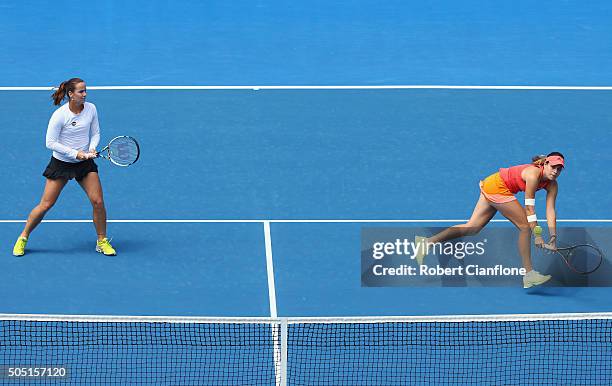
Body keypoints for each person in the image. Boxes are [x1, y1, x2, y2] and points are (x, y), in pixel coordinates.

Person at [414, 153, 565, 288]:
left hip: (492, 183)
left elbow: (550, 210)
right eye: (553, 167)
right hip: (498, 187)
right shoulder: (533, 175)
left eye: (559, 169)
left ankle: (427, 242)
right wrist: (537, 235)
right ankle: (529, 274)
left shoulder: (553, 185)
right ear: (545, 164)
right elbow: (529, 209)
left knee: (472, 227)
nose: (555, 172)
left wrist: (553, 236)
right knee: (525, 226)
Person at [12, 78, 116, 257]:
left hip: (84, 164)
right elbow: (50, 143)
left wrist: (91, 148)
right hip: (61, 164)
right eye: (81, 91)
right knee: (46, 204)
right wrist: (76, 153)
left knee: (98, 201)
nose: (85, 94)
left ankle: (102, 240)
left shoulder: (91, 108)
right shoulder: (60, 115)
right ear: (71, 94)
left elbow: (96, 132)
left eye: (85, 91)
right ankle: (23, 237)